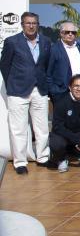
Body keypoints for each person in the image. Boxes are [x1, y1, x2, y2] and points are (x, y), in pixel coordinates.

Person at [0, 12, 51, 174]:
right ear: (22, 24)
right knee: (18, 128)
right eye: (28, 23)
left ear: (38, 24)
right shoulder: (12, 42)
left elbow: (47, 65)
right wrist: (12, 84)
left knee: (42, 127)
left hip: (40, 89)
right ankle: (20, 162)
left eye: (34, 23)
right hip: (18, 90)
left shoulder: (46, 41)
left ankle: (43, 157)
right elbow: (4, 66)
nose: (31, 26)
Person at [48, 21, 80, 104]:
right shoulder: (54, 49)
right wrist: (54, 91)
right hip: (61, 92)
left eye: (73, 32)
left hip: (78, 91)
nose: (70, 34)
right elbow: (48, 73)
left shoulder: (79, 47)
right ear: (61, 33)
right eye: (67, 32)